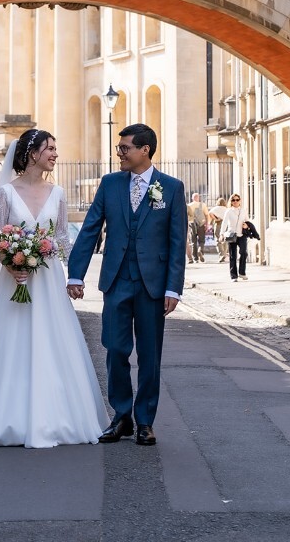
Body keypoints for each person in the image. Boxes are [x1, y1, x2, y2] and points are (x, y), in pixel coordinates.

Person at [0, 129, 109, 448]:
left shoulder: (58, 193)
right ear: (32, 153)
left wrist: (70, 271)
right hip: (15, 280)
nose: (55, 154)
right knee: (14, 343)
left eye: (55, 148)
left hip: (48, 280)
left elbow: (62, 237)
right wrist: (12, 264)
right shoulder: (6, 193)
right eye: (49, 148)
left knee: (53, 342)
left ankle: (57, 417)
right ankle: (8, 418)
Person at [67, 123, 187, 447]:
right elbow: (90, 228)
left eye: (124, 148)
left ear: (145, 150)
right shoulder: (110, 184)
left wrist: (173, 288)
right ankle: (121, 416)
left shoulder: (171, 188)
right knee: (115, 348)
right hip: (116, 280)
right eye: (119, 148)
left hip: (153, 286)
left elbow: (177, 242)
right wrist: (76, 274)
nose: (119, 153)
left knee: (149, 355)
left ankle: (145, 421)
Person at [221, 194, 251, 282]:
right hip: (232, 235)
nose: (235, 202)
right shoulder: (228, 211)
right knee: (233, 256)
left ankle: (242, 272)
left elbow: (247, 221)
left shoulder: (243, 211)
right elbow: (224, 223)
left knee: (244, 253)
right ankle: (234, 276)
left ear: (240, 201)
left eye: (237, 200)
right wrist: (222, 234)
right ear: (231, 202)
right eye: (233, 200)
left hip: (242, 235)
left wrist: (247, 226)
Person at [187, 192, 209, 262]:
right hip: (201, 224)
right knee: (201, 240)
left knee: (193, 241)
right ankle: (200, 250)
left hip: (192, 224)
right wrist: (207, 224)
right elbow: (207, 215)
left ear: (192, 198)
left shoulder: (189, 205)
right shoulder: (203, 205)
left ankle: (195, 258)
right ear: (198, 198)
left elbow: (186, 216)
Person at [209, 197, 228, 263]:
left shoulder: (216, 208)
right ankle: (224, 254)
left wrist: (216, 219)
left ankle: (221, 254)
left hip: (218, 223)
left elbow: (210, 213)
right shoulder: (226, 209)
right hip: (226, 225)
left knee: (218, 239)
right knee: (225, 239)